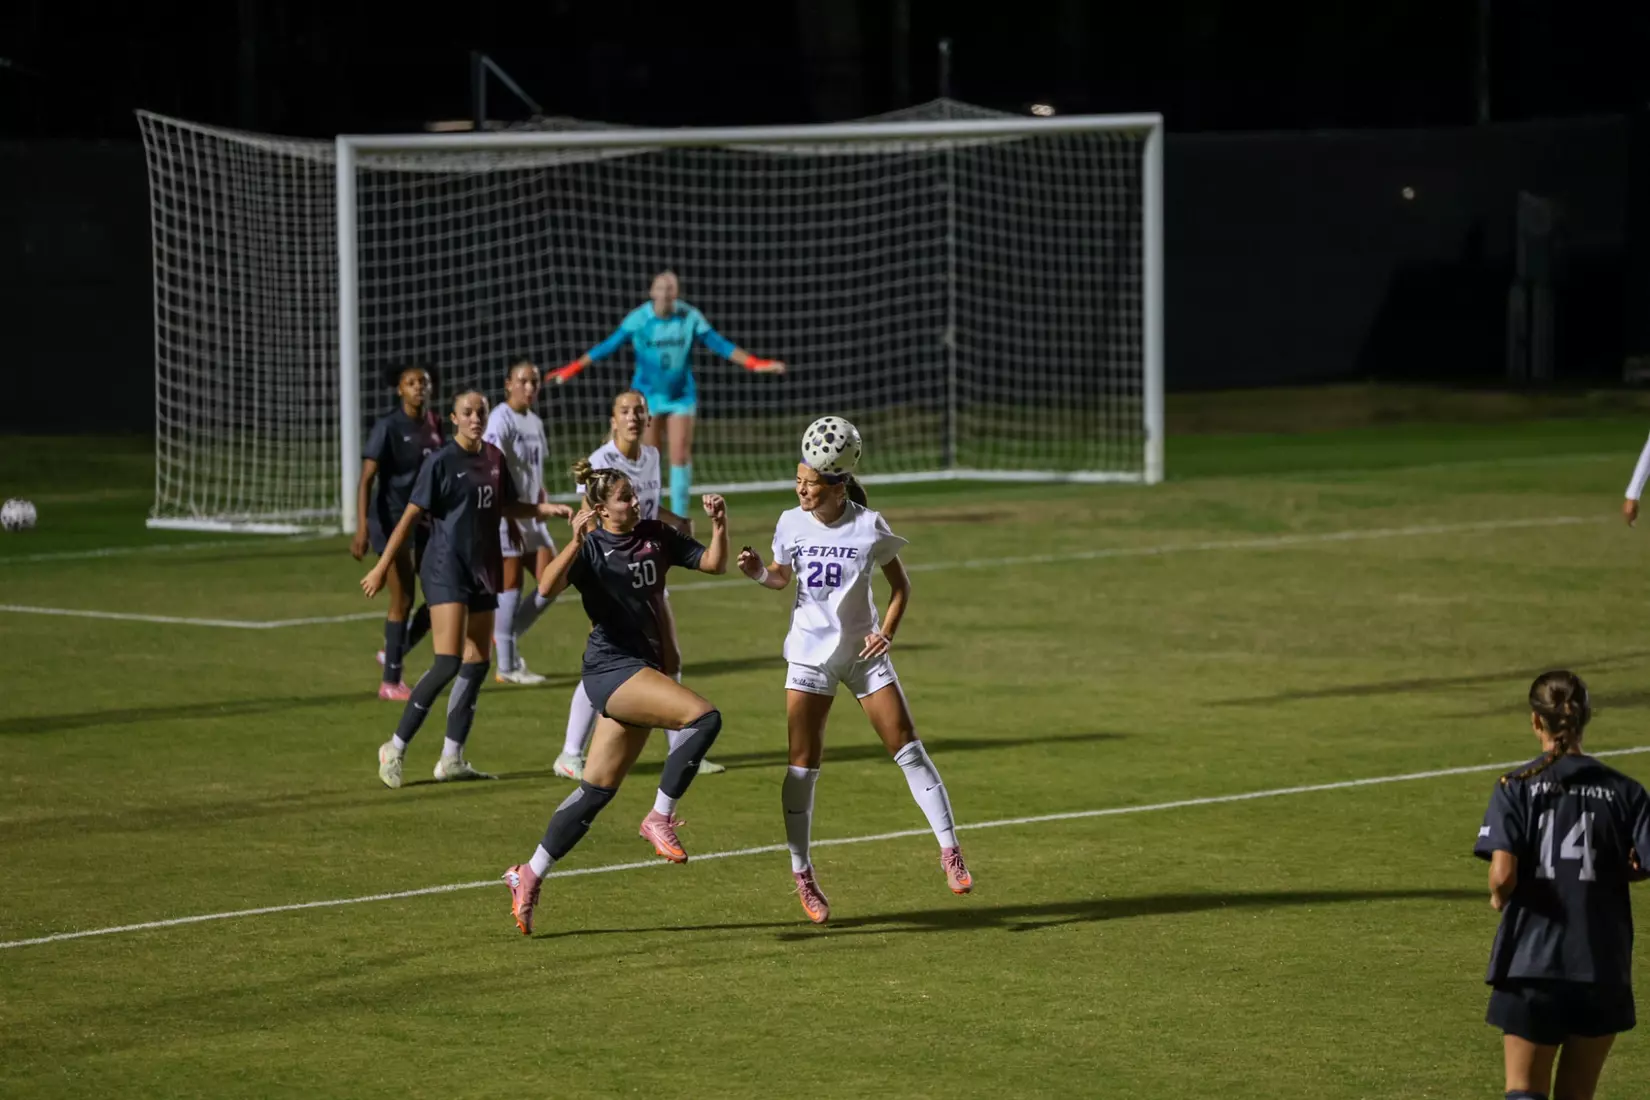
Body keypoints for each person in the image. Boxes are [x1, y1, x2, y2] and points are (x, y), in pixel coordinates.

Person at [735, 416, 971, 925]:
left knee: (908, 747)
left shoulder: (868, 525)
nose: (800, 488)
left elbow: (901, 586)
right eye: (798, 479)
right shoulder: (789, 522)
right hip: (809, 656)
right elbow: (780, 578)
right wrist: (758, 572)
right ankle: (803, 873)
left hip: (862, 656)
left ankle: (950, 851)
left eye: (810, 483)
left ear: (836, 485)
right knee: (803, 765)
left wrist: (887, 631)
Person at [501, 460, 730, 935]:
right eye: (624, 497)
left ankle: (529, 873)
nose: (635, 501)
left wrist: (720, 526)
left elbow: (713, 563)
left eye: (633, 494)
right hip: (610, 670)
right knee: (703, 719)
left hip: (640, 671)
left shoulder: (655, 534)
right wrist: (575, 541)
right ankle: (659, 817)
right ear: (602, 509)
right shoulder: (590, 547)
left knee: (595, 791)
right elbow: (544, 587)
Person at [361, 390, 573, 789]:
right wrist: (382, 565)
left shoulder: (494, 458)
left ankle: (452, 758)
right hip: (445, 569)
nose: (475, 418)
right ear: (454, 419)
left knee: (477, 662)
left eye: (480, 412)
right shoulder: (440, 463)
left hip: (482, 569)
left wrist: (543, 510)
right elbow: (409, 518)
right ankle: (394, 746)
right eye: (467, 412)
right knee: (447, 661)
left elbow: (504, 505)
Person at [1473, 670, 1650, 1100]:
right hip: (1601, 966)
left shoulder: (1515, 787)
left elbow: (1503, 874)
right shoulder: (1628, 792)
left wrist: (1499, 895)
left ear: (1537, 722)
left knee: (1524, 1092)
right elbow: (1643, 862)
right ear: (1586, 717)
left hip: (1533, 965)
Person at [552, 389, 725, 781]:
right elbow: (591, 519)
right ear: (613, 419)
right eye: (625, 411)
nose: (633, 417)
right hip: (615, 575)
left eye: (639, 411)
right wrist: (606, 570)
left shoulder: (651, 456)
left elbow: (645, 507)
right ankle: (570, 751)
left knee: (668, 656)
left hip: (644, 564)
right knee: (611, 659)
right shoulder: (601, 462)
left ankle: (682, 746)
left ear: (649, 420)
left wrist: (675, 522)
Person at [551, 269, 785, 518]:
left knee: (680, 454)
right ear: (652, 292)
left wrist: (755, 363)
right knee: (649, 458)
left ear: (676, 293)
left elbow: (720, 344)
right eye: (661, 287)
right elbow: (607, 346)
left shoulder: (689, 316)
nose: (665, 292)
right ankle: (649, 514)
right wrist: (571, 368)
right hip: (646, 398)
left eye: (670, 287)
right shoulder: (639, 318)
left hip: (680, 396)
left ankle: (679, 519)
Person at [351, 363, 442, 700]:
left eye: (424, 382)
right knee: (402, 596)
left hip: (424, 520)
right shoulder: (388, 427)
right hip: (389, 520)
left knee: (438, 594)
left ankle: (393, 652)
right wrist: (362, 527)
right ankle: (390, 683)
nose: (419, 387)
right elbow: (366, 479)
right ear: (399, 390)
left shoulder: (435, 424)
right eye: (411, 383)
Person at [483, 356, 556, 685]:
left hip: (532, 514)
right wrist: (506, 514)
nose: (529, 387)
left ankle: (504, 635)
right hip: (506, 514)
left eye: (535, 382)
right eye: (523, 381)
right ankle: (507, 666)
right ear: (508, 384)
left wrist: (541, 493)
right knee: (510, 584)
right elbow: (492, 467)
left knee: (553, 578)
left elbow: (532, 469)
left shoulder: (534, 422)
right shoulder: (500, 419)